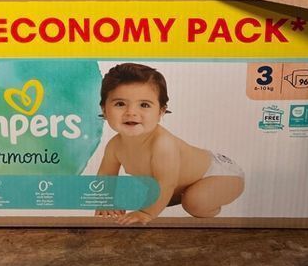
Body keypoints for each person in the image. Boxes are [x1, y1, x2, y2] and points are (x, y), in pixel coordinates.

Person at [95, 63, 244, 225]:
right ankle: (179, 195)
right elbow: (106, 175)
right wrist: (105, 201)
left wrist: (146, 213)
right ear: (104, 110)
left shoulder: (162, 144)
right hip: (176, 184)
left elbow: (166, 184)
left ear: (161, 111)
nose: (131, 112)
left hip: (219, 174)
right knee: (136, 194)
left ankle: (206, 203)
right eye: (120, 104)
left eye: (144, 105)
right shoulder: (115, 145)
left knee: (195, 203)